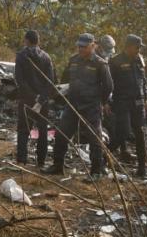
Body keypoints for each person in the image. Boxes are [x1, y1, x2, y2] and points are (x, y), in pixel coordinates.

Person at [42, 33, 113, 181]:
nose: (80, 49)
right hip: (72, 105)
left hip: (91, 107)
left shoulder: (100, 64)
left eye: (84, 46)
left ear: (93, 46)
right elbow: (65, 80)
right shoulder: (73, 61)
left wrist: (100, 102)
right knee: (61, 134)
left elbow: (108, 86)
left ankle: (96, 172)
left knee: (95, 140)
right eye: (79, 46)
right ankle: (57, 166)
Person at [106, 35, 147, 177]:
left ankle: (142, 168)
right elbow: (107, 84)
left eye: (140, 48)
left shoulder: (139, 60)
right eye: (136, 47)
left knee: (141, 134)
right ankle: (102, 156)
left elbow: (143, 80)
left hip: (139, 102)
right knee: (123, 133)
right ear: (128, 46)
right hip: (122, 102)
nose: (138, 50)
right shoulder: (115, 62)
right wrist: (106, 101)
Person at [15, 30, 56, 167]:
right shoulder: (46, 57)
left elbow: (20, 80)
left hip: (26, 99)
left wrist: (33, 97)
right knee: (42, 130)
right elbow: (50, 82)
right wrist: (41, 99)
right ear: (38, 41)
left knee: (23, 130)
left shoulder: (21, 56)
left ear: (26, 40)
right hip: (42, 102)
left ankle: (21, 160)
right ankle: (41, 161)